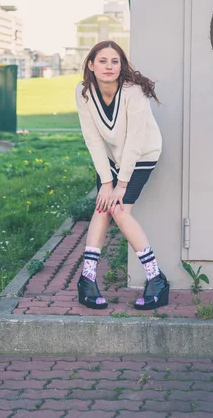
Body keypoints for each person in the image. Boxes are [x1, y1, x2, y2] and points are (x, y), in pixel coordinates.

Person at [75, 40, 169, 311]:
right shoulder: (83, 93)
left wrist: (121, 184)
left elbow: (135, 142)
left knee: (119, 210)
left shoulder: (133, 92)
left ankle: (156, 278)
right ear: (91, 65)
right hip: (113, 157)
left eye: (114, 61)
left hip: (142, 154)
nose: (108, 66)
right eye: (102, 61)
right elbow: (92, 140)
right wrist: (106, 182)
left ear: (121, 66)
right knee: (102, 207)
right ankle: (87, 280)